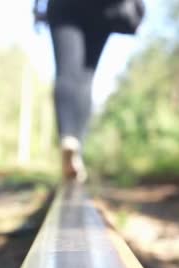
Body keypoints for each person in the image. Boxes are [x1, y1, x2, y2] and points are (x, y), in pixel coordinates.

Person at [33, 0, 144, 183]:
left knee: (66, 72)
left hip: (64, 7)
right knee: (85, 79)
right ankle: (77, 146)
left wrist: (37, 7)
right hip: (102, 7)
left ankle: (68, 136)